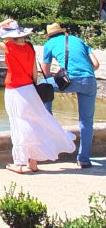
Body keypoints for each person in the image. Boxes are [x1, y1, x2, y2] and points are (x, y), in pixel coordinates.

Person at [0, 18, 75, 173]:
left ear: (9, 35)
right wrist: (32, 87)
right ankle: (33, 163)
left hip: (15, 90)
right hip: (30, 89)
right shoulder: (29, 47)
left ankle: (18, 163)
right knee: (35, 122)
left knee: (18, 124)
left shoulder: (9, 47)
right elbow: (34, 72)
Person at [41, 22, 100, 169]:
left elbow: (45, 71)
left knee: (43, 84)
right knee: (87, 122)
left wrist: (58, 77)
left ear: (49, 35)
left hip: (70, 81)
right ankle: (84, 159)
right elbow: (96, 64)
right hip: (89, 81)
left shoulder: (49, 44)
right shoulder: (79, 41)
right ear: (62, 32)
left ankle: (48, 118)